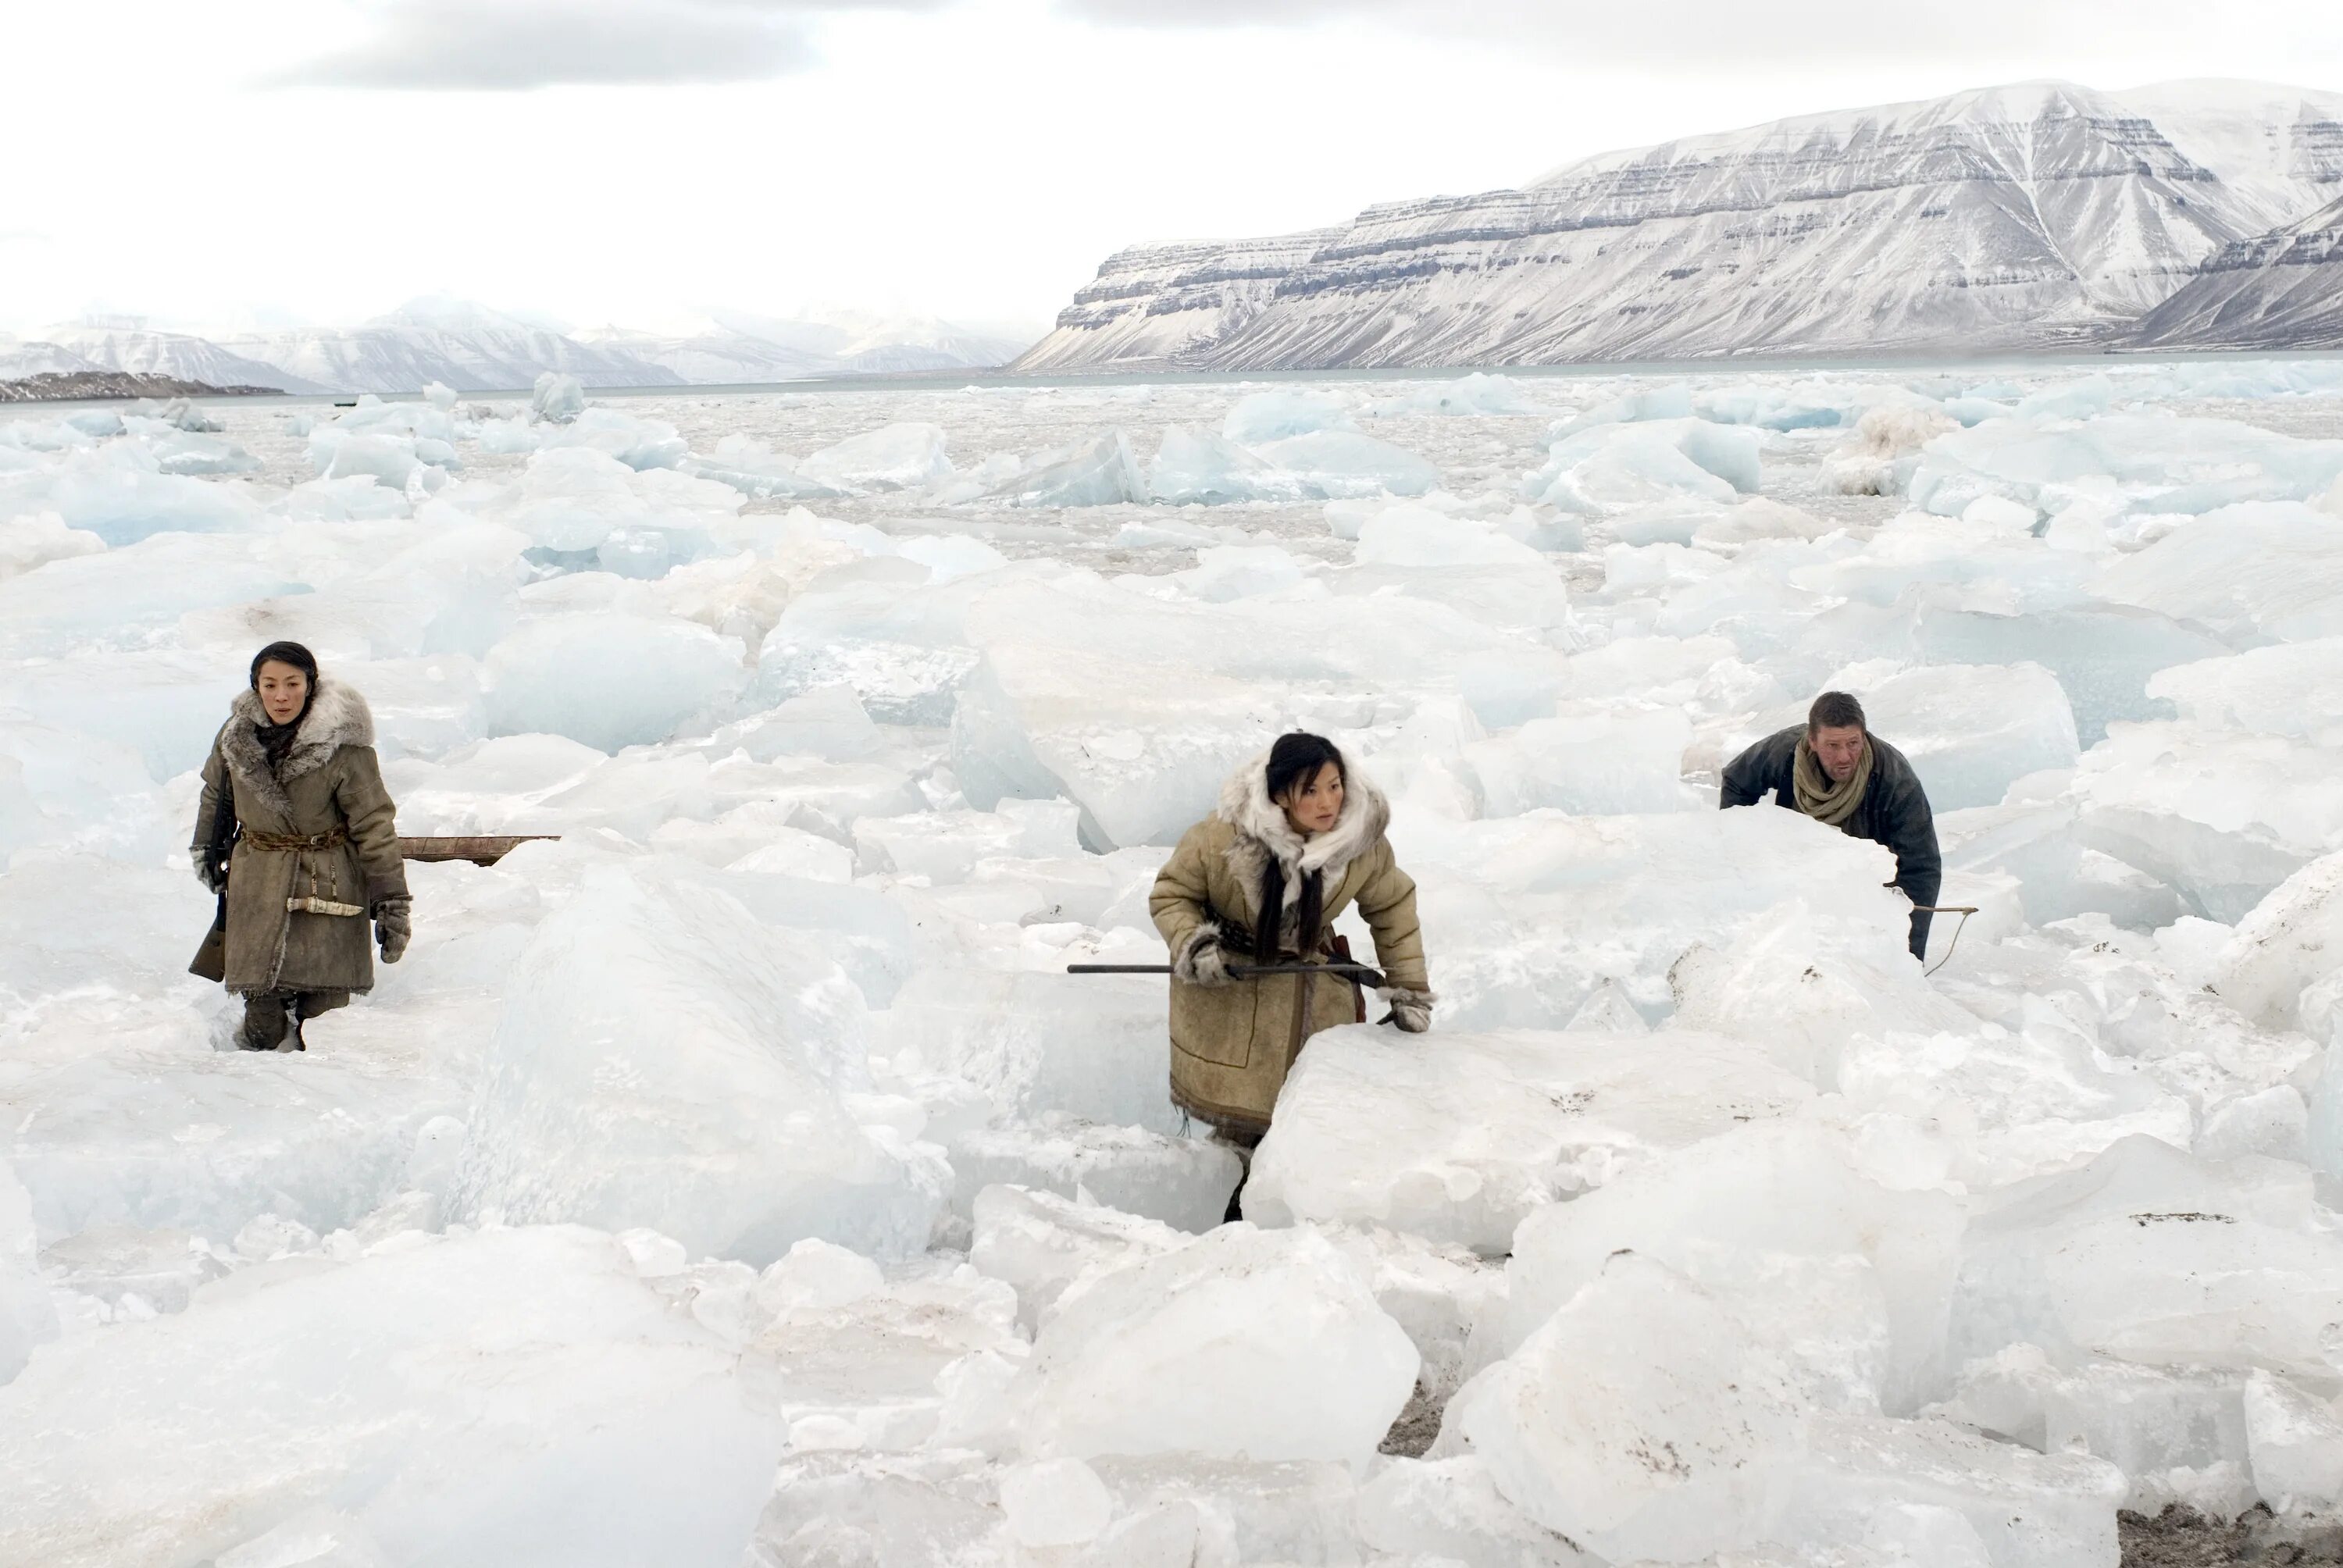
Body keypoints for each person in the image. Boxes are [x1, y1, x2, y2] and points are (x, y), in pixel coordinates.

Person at [1150, 733, 1432, 1213]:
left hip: (1313, 987)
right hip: (1232, 992)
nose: (1329, 802)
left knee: (1309, 1111)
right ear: (1280, 796)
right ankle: (1232, 1215)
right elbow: (1171, 894)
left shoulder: (1361, 842)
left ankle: (1301, 1217)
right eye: (1311, 791)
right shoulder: (1220, 839)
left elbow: (1393, 906)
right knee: (1244, 1121)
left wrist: (1409, 988)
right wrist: (1194, 944)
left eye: (1335, 785)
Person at [190, 641, 412, 1051]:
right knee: (262, 1029)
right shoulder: (235, 734)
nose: (281, 695)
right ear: (256, 686)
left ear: (309, 685)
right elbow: (215, 794)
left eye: (292, 683)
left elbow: (374, 824)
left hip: (327, 882)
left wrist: (392, 901)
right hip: (258, 879)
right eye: (269, 684)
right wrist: (206, 847)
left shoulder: (345, 746)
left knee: (327, 1023)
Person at [1720, 690, 1942, 960]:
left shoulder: (1895, 780)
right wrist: (1745, 856)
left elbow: (1922, 868)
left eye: (1853, 743)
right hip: (1797, 873)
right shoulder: (1787, 752)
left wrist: (1907, 958)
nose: (1845, 757)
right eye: (1832, 746)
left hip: (1864, 886)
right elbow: (1736, 781)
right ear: (1812, 740)